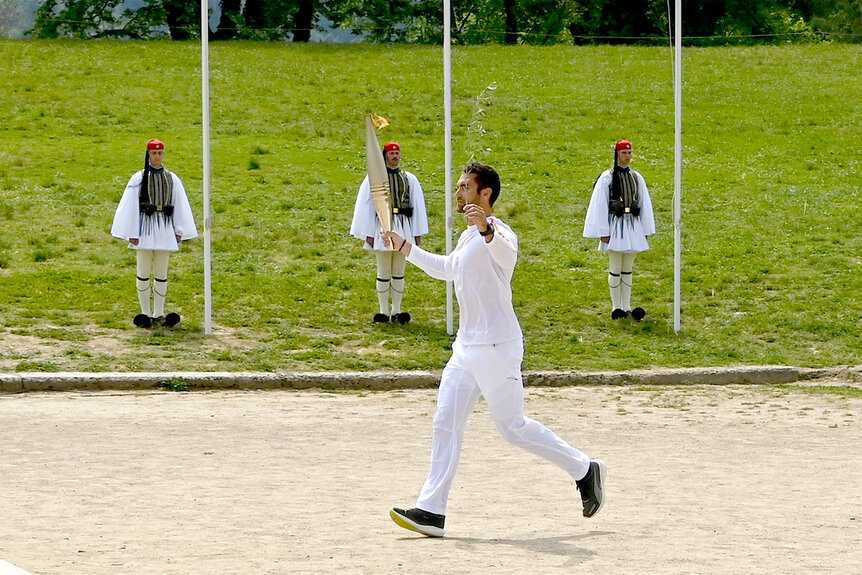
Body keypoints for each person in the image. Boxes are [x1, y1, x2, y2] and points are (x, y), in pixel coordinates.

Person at [383, 161, 605, 538]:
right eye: (459, 187)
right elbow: (449, 268)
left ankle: (585, 469)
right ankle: (432, 511)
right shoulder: (468, 237)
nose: (458, 194)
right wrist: (405, 247)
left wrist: (486, 227)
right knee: (445, 423)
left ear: (485, 193)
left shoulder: (500, 232)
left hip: (498, 347)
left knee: (513, 428)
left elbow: (504, 253)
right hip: (466, 348)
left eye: (465, 187)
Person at [111, 139, 198, 328]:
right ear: (148, 155)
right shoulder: (139, 178)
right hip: (144, 228)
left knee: (161, 271)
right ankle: (145, 312)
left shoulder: (172, 178)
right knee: (142, 271)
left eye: (160, 153)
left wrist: (179, 230)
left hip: (164, 227)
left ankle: (159, 312)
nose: (157, 156)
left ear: (164, 154)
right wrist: (131, 231)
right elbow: (130, 205)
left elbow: (180, 204)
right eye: (153, 153)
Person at [350, 142, 429, 324]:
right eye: (392, 153)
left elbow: (417, 205)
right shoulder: (374, 179)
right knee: (384, 269)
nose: (395, 156)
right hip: (383, 226)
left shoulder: (409, 178)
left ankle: (397, 310)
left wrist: (417, 232)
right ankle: (383, 311)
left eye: (397, 153)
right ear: (385, 155)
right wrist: (368, 232)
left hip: (403, 226)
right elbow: (366, 205)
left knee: (399, 270)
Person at [583, 140, 655, 320]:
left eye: (630, 153)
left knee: (628, 269)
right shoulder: (607, 178)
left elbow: (643, 202)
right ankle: (616, 307)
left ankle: (627, 306)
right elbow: (599, 205)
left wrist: (644, 229)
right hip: (616, 226)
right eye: (624, 153)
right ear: (617, 154)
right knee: (615, 267)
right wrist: (603, 231)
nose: (628, 157)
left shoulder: (636, 177)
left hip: (632, 226)